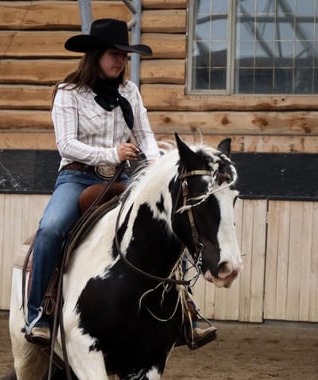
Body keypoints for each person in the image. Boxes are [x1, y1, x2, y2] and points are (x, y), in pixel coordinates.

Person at [24, 18, 215, 350]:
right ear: (95, 54)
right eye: (114, 54)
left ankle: (185, 309)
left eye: (124, 55)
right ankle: (38, 313)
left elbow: (146, 137)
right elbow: (66, 144)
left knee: (170, 223)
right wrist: (111, 152)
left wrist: (157, 171)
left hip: (122, 179)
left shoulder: (130, 92)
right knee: (51, 229)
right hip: (77, 176)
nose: (120, 61)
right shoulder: (68, 93)